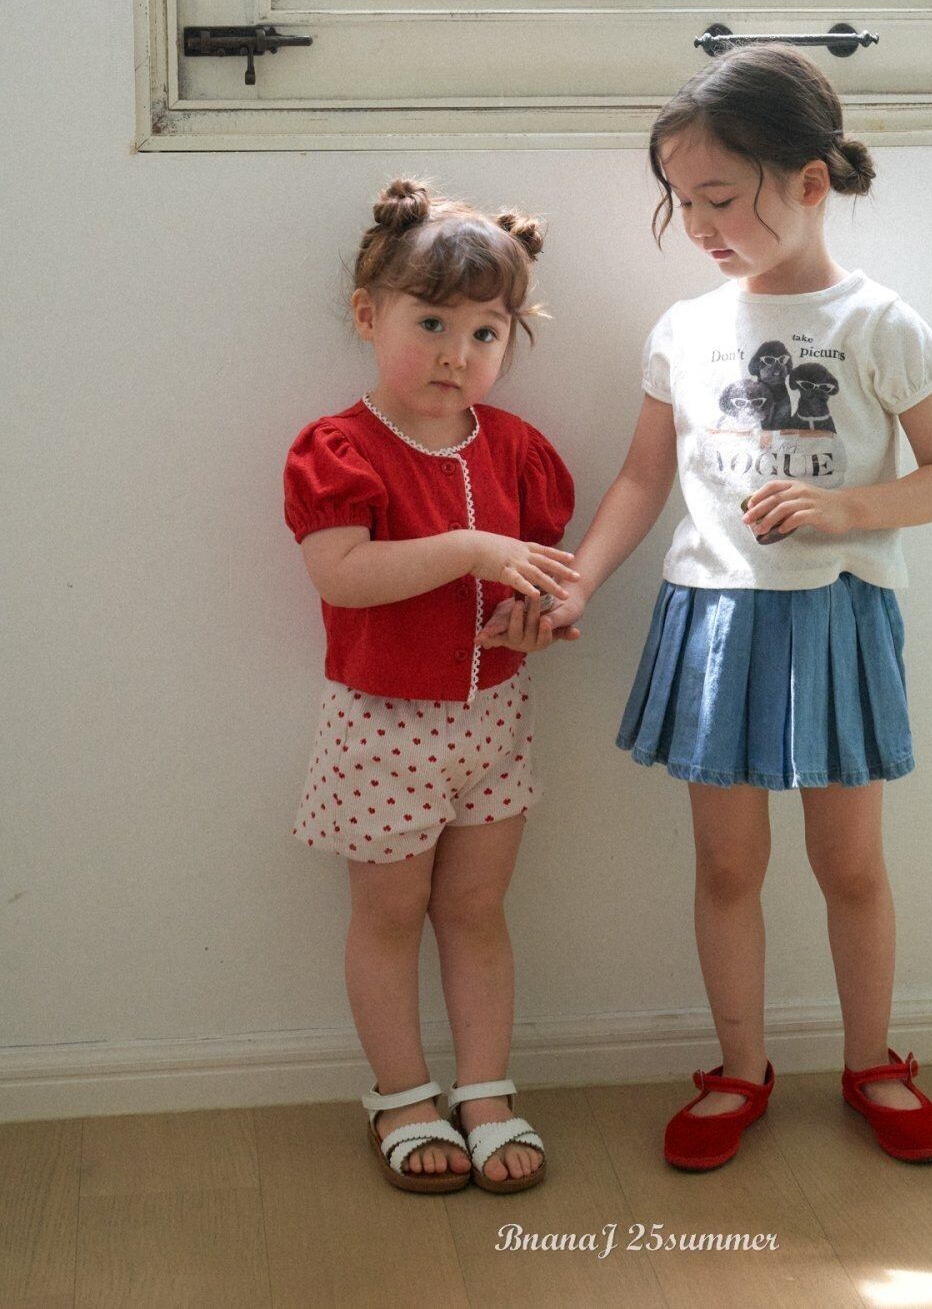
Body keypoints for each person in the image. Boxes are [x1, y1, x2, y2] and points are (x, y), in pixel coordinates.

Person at [490, 44, 932, 1170]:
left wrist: (844, 510)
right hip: (711, 618)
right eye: (682, 202)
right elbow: (642, 478)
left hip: (836, 615)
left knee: (849, 865)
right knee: (724, 867)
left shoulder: (878, 324)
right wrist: (575, 580)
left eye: (719, 197)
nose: (699, 225)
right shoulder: (683, 329)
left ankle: (871, 1062)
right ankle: (739, 1068)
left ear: (808, 182)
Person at [283, 177, 578, 1194]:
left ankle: (485, 1090)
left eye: (486, 332)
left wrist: (539, 618)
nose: (458, 354)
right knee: (389, 916)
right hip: (381, 727)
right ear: (369, 316)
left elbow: (544, 577)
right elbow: (340, 574)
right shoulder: (340, 450)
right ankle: (403, 1096)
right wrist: (467, 547)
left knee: (478, 911)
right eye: (432, 323)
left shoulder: (520, 452)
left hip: (496, 724)